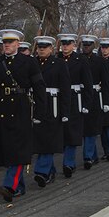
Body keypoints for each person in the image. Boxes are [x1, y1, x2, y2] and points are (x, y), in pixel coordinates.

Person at [0, 29, 47, 201]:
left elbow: (39, 87)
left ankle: (10, 186)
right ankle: (19, 187)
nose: (7, 45)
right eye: (5, 43)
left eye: (11, 42)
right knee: (7, 148)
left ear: (18, 44)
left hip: (21, 108)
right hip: (1, 109)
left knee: (19, 149)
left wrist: (40, 112)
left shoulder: (29, 62)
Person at [32, 35, 70, 186]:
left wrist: (65, 111)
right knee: (40, 138)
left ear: (51, 48)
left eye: (45, 47)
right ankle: (50, 170)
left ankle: (42, 171)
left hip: (53, 104)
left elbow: (65, 88)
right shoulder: (33, 62)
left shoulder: (59, 64)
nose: (41, 50)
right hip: (36, 103)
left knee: (49, 138)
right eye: (39, 47)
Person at [57, 33, 92, 177]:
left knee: (71, 132)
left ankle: (68, 163)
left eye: (68, 44)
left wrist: (86, 103)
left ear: (73, 45)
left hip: (74, 98)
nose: (65, 46)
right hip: (57, 99)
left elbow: (88, 83)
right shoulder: (56, 59)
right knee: (58, 132)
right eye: (63, 44)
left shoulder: (81, 60)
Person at [79, 35, 109, 169]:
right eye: (84, 45)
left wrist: (106, 101)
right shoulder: (77, 59)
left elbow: (105, 82)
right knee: (82, 128)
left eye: (88, 45)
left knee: (91, 128)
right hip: (78, 95)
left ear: (93, 46)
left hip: (94, 96)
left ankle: (88, 156)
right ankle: (93, 156)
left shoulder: (100, 61)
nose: (86, 47)